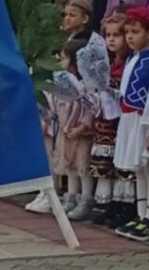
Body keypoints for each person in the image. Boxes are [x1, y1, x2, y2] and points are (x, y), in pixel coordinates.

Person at [112, 6, 149, 242]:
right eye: (127, 32)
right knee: (139, 170)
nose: (129, 37)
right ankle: (140, 215)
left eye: (135, 32)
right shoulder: (132, 59)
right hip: (130, 120)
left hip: (146, 122)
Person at [88, 13, 137, 229]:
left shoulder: (129, 63)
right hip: (105, 120)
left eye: (117, 35)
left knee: (122, 162)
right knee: (105, 162)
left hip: (121, 120)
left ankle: (125, 203)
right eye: (108, 35)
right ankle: (106, 202)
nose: (111, 39)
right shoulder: (107, 63)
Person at [53, 39, 96, 220]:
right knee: (70, 166)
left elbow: (91, 108)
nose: (60, 62)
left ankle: (86, 199)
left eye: (64, 58)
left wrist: (82, 126)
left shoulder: (86, 84)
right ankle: (71, 197)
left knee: (82, 166)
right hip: (66, 130)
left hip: (81, 133)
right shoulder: (65, 83)